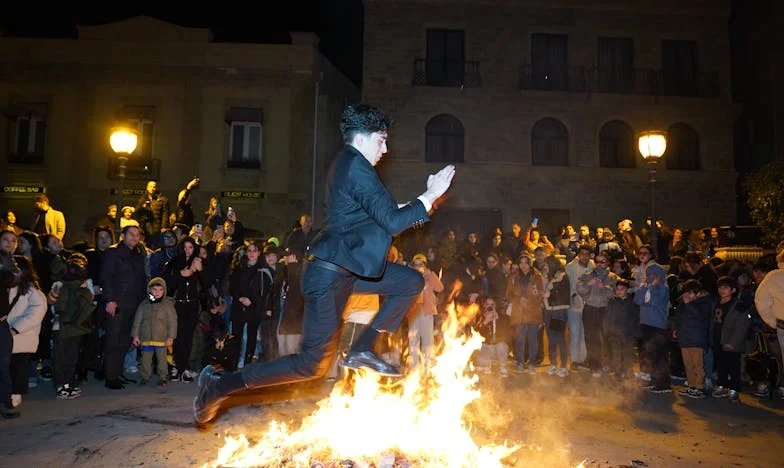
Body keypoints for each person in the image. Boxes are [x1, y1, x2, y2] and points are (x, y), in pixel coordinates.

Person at [193, 103, 455, 425]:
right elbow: (392, 222)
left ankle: (361, 348)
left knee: (410, 281)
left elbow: (386, 212)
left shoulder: (352, 167)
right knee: (310, 365)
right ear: (362, 139)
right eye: (381, 141)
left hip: (348, 270)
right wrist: (430, 195)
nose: (386, 149)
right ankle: (219, 386)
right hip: (329, 275)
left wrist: (423, 201)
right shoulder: (355, 166)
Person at [131, 277, 177, 391]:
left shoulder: (167, 305)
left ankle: (163, 377)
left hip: (161, 338)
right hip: (146, 337)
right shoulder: (144, 305)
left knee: (162, 359)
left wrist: (171, 336)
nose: (157, 292)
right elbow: (137, 321)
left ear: (164, 290)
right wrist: (135, 335)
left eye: (160, 290)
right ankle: (145, 377)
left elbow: (172, 321)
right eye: (154, 289)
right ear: (149, 290)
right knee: (145, 359)